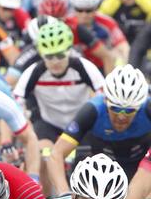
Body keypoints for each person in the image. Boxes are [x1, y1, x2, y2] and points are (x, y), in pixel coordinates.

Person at [45, 64, 151, 193]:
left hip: (138, 168)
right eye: (116, 109)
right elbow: (56, 154)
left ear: (139, 106)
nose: (122, 117)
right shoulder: (93, 109)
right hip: (100, 169)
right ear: (106, 101)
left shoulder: (150, 108)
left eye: (129, 111)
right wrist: (63, 193)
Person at [14, 19, 106, 175]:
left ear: (69, 50)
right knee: (43, 158)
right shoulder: (33, 71)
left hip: (80, 124)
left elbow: (103, 98)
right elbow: (16, 103)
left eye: (60, 55)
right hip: (49, 123)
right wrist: (25, 127)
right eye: (49, 57)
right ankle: (44, 198)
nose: (55, 61)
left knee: (89, 165)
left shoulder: (84, 66)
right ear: (41, 54)